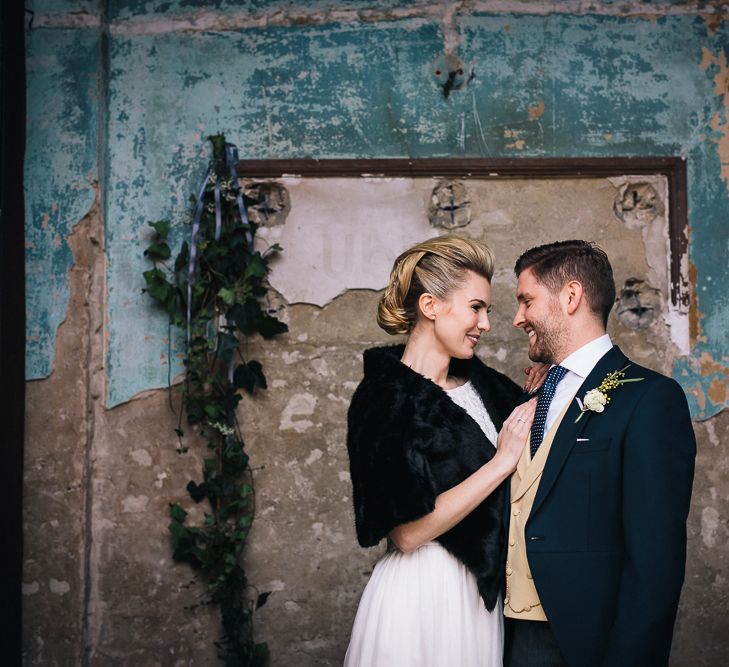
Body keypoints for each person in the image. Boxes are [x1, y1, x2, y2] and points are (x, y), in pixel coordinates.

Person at [344, 235, 540, 667]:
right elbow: (407, 533)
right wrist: (501, 463)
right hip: (422, 598)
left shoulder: (490, 389)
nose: (486, 323)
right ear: (430, 306)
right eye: (476, 307)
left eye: (486, 310)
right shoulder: (384, 398)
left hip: (481, 601)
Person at [504, 240, 696, 667]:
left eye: (526, 301)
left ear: (570, 297)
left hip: (587, 641)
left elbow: (656, 561)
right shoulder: (527, 396)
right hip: (509, 636)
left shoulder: (650, 400)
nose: (518, 318)